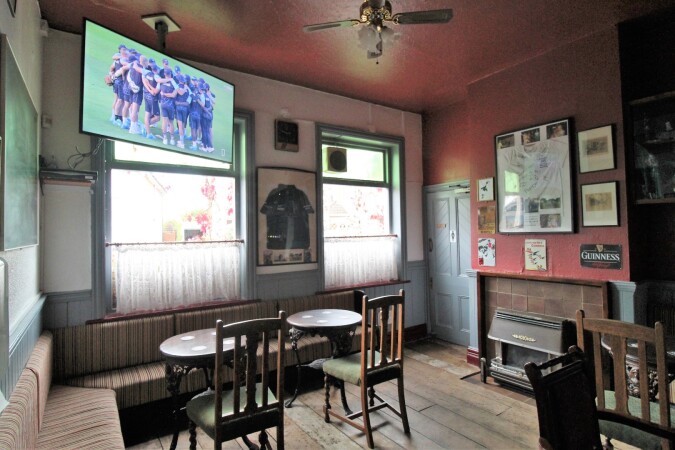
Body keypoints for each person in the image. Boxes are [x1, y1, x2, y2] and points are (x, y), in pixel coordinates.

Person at [159, 68, 178, 145]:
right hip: (171, 106)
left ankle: (165, 138)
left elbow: (159, 89)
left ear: (164, 74)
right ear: (170, 74)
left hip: (163, 104)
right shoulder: (173, 82)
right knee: (171, 123)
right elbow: (173, 95)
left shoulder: (161, 82)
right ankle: (172, 139)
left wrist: (164, 94)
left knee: (164, 122)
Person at [142, 62, 161, 139]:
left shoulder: (147, 74)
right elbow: (155, 91)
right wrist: (151, 89)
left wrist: (149, 88)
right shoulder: (157, 78)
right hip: (153, 99)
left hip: (146, 96)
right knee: (157, 118)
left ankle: (147, 132)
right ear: (156, 70)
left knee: (147, 114)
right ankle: (145, 127)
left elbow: (144, 81)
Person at [173, 74, 190, 149]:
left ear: (179, 81)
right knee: (183, 125)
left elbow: (174, 96)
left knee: (180, 126)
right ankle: (182, 141)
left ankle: (181, 143)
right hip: (185, 109)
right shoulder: (187, 89)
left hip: (178, 108)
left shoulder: (177, 86)